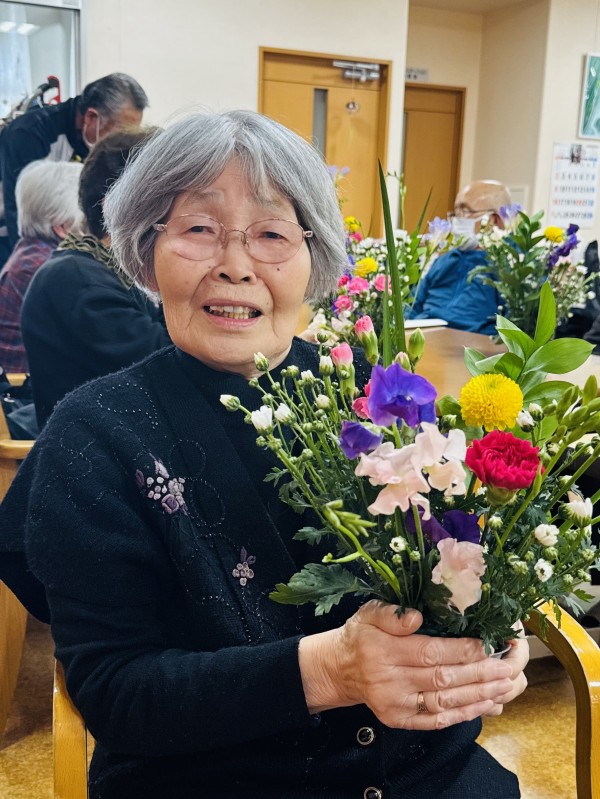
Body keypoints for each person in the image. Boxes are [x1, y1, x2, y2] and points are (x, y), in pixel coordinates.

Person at [0, 111, 527, 799]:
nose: (235, 264)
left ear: (314, 256)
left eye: (272, 233)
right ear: (147, 248)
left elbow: (451, 563)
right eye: (199, 228)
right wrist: (331, 670)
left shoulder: (375, 400)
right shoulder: (94, 435)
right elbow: (118, 693)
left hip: (430, 774)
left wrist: (489, 631)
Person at [20, 128, 171, 428]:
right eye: (164, 205)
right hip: (95, 451)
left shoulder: (100, 269)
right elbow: (169, 365)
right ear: (113, 210)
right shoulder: (76, 281)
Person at [0, 72, 148, 266]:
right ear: (91, 117)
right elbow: (19, 215)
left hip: (57, 236)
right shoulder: (28, 135)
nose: (121, 141)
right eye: (121, 131)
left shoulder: (93, 143)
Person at [0, 160, 83, 373]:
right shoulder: (44, 267)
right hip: (27, 384)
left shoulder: (32, 251)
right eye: (87, 215)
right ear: (63, 226)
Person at [409, 180, 512, 336]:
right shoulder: (444, 261)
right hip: (423, 337)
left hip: (471, 343)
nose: (457, 219)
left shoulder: (507, 266)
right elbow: (413, 305)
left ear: (494, 219)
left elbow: (512, 327)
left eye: (465, 211)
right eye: (456, 212)